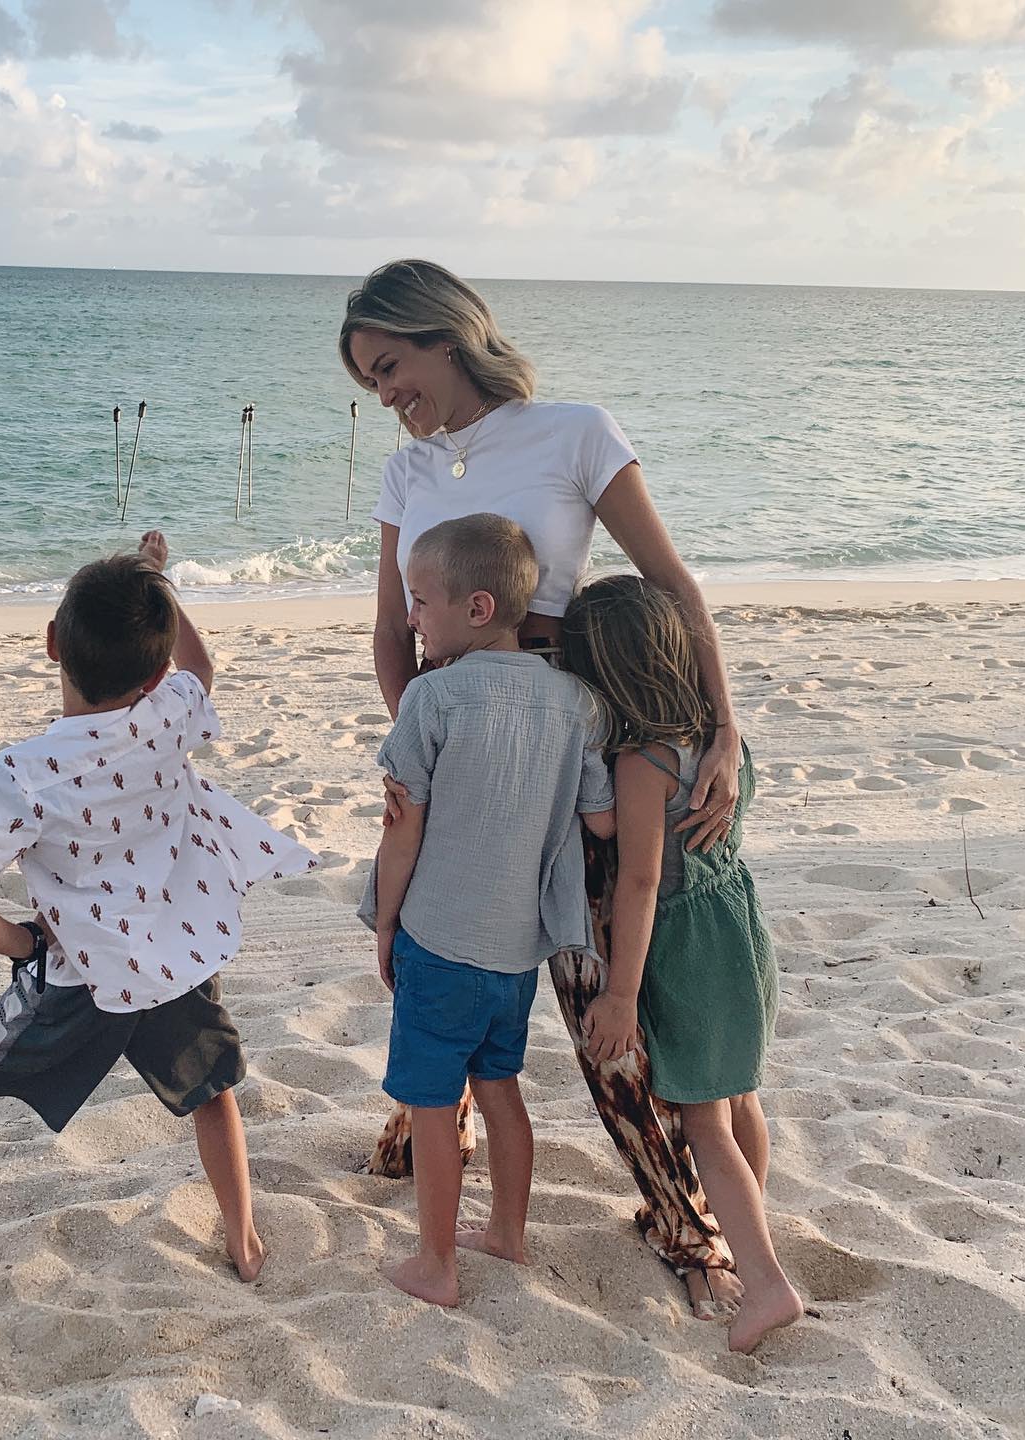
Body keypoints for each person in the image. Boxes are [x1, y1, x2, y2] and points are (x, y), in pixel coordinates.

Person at [341, 258, 741, 1314]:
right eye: (368, 382)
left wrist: (725, 732)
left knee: (596, 993)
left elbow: (671, 586)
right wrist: (429, 753)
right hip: (460, 759)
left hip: (575, 746)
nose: (384, 395)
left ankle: (686, 1227)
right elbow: (392, 634)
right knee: (439, 947)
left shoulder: (575, 431)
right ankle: (427, 1132)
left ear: (446, 336)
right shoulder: (407, 474)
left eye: (390, 367)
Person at [0, 531, 316, 1305]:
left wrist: (24, 944)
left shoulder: (20, 771)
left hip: (75, 975)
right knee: (211, 1090)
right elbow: (203, 672)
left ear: (51, 644)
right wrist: (159, 582)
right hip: (172, 961)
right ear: (158, 669)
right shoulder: (169, 715)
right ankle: (243, 1241)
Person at [360, 514, 616, 1307]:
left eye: (420, 603)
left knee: (434, 1108)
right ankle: (508, 1232)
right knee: (501, 1093)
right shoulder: (576, 705)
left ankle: (436, 1263)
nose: (410, 619)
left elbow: (403, 836)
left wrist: (388, 921)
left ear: (474, 608)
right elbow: (602, 818)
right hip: (516, 954)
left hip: (440, 941)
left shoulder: (432, 699)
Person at [561, 573, 799, 1353]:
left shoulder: (643, 762)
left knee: (702, 1122)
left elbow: (637, 878)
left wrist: (622, 991)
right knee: (739, 1100)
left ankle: (765, 1286)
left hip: (688, 953)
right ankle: (748, 1230)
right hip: (743, 937)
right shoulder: (723, 740)